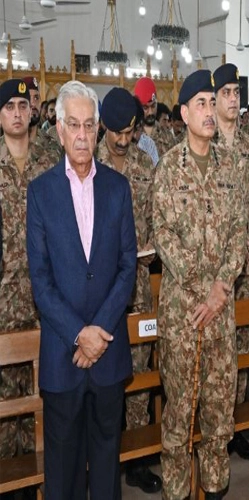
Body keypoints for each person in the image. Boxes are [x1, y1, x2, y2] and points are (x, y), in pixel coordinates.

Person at [27, 79, 136, 499]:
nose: (82, 135)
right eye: (73, 125)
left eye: (89, 126)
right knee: (64, 477)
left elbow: (127, 268)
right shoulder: (40, 193)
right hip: (62, 355)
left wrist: (99, 333)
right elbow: (41, 279)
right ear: (58, 130)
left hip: (107, 355)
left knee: (108, 472)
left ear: (99, 130)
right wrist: (79, 333)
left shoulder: (117, 187)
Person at [153, 69, 248, 500]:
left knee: (218, 422)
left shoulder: (231, 167)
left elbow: (241, 232)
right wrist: (202, 289)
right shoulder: (169, 169)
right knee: (179, 424)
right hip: (183, 318)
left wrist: (221, 287)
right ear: (185, 112)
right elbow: (164, 237)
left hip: (220, 315)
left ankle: (213, 492)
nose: (211, 111)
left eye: (215, 102)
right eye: (203, 104)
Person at [95, 87, 161, 494]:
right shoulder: (89, 164)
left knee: (136, 372)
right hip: (98, 293)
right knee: (102, 378)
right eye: (116, 132)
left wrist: (148, 245)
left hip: (137, 287)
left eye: (129, 132)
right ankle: (102, 460)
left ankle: (135, 460)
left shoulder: (142, 164)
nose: (123, 140)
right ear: (103, 127)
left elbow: (154, 217)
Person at [0, 79, 59, 465]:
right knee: (6, 400)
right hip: (4, 302)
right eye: (10, 106)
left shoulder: (50, 158)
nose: (19, 112)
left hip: (46, 298)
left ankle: (43, 474)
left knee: (45, 395)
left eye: (24, 104)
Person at [211, 63, 249, 462]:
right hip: (210, 272)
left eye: (236, 92)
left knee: (241, 349)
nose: (233, 99)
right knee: (214, 353)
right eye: (226, 93)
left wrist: (243, 249)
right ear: (212, 100)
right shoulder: (203, 142)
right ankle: (211, 428)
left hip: (243, 268)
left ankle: (233, 428)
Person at [134, 77, 176, 158]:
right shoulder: (132, 135)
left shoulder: (167, 137)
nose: (150, 112)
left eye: (153, 106)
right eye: (145, 108)